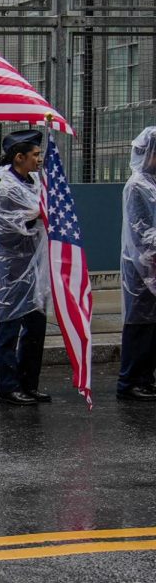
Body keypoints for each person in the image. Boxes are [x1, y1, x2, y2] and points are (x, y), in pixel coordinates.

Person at [0, 130, 51, 407]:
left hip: (35, 266)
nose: (40, 159)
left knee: (36, 327)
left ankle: (29, 383)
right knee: (10, 328)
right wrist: (41, 213)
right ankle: (9, 387)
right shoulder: (6, 190)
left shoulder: (35, 181)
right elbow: (13, 226)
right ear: (19, 157)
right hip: (13, 269)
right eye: (35, 155)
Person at [118, 127, 156, 402]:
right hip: (141, 268)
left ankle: (145, 378)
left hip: (152, 265)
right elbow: (141, 232)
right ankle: (129, 381)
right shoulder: (137, 186)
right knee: (139, 324)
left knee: (152, 325)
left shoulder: (152, 183)